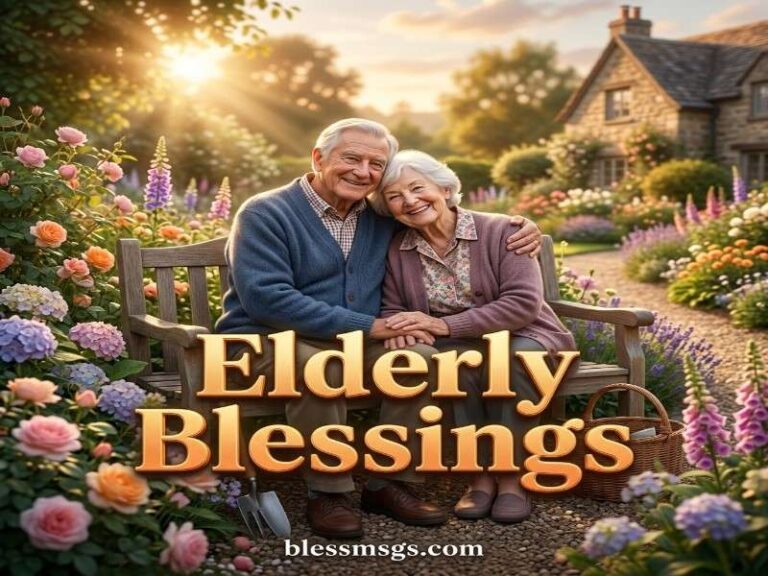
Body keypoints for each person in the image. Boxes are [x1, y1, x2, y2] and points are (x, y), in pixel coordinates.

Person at [216, 119, 543, 538]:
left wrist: (524, 227)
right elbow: (267, 299)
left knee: (420, 360)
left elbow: (442, 214)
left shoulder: (379, 216)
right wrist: (371, 326)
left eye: (376, 163)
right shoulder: (266, 212)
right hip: (266, 339)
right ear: (318, 158)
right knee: (321, 367)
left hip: (354, 340)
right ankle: (328, 493)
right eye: (351, 158)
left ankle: (389, 483)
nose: (363, 171)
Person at [370, 149, 577, 523]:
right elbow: (393, 309)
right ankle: (479, 479)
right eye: (396, 196)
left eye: (418, 188)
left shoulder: (503, 231)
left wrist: (442, 325)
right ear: (389, 208)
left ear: (446, 189)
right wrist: (403, 330)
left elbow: (522, 304)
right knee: (454, 366)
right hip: (454, 345)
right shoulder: (398, 250)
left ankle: (512, 480)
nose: (410, 201)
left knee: (511, 361)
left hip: (523, 333)